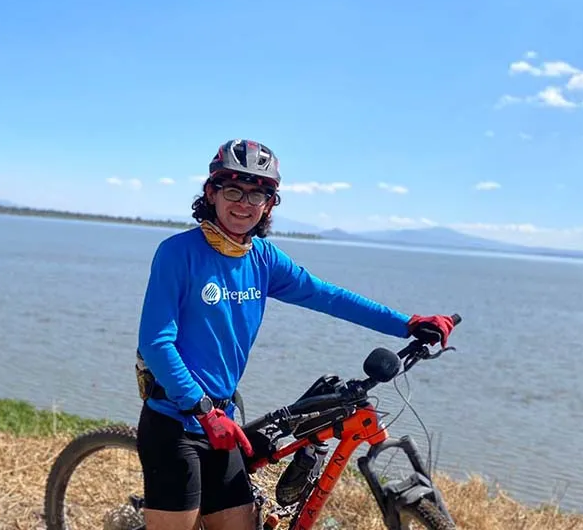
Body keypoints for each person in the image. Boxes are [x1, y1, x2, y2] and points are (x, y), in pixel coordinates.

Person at [134, 139, 457, 530]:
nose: (244, 203)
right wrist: (202, 409)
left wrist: (407, 323)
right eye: (233, 190)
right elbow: (156, 343)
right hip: (177, 422)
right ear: (211, 193)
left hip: (224, 421)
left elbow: (329, 297)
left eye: (258, 194)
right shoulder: (178, 253)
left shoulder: (263, 258)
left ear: (270, 204)